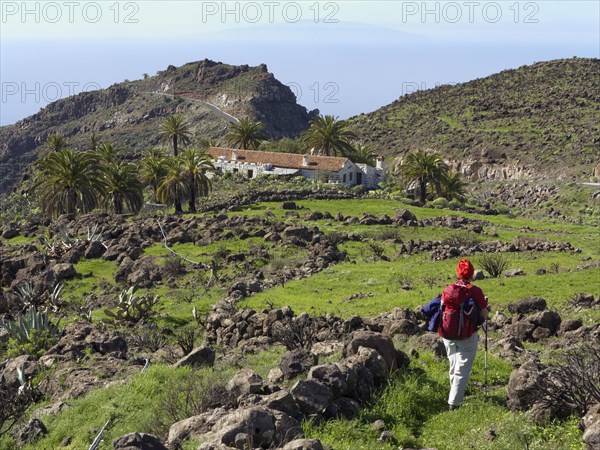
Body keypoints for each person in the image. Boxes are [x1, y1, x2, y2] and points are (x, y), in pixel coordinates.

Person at [440, 259, 489, 411]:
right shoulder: (475, 291)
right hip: (467, 334)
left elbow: (441, 307)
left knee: (453, 365)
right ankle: (454, 404)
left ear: (458, 272)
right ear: (472, 274)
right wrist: (487, 307)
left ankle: (455, 394)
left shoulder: (449, 289)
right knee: (462, 368)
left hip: (447, 333)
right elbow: (483, 315)